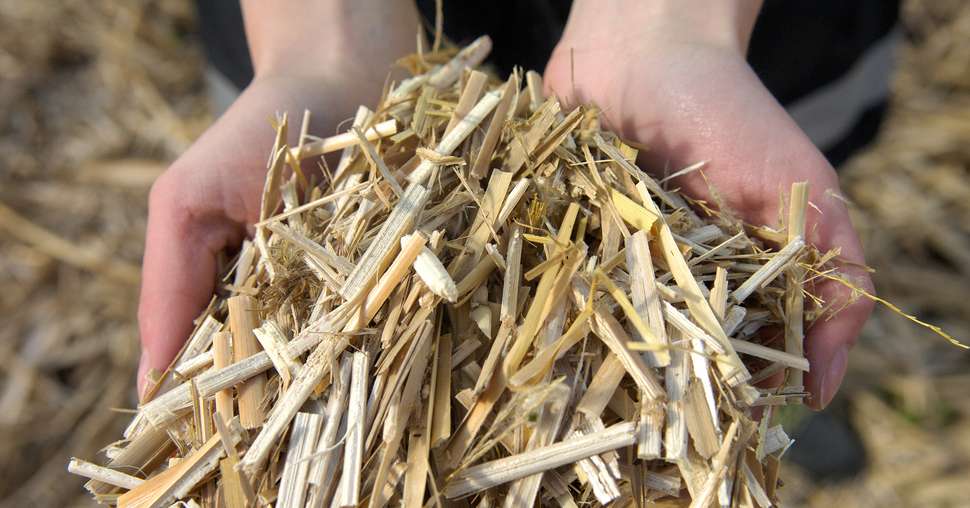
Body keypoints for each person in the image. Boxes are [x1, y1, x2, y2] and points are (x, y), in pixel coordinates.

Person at [138, 0, 888, 411]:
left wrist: (671, 25)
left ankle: (768, 383)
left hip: (737, 32)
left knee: (744, 208)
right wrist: (320, 46)